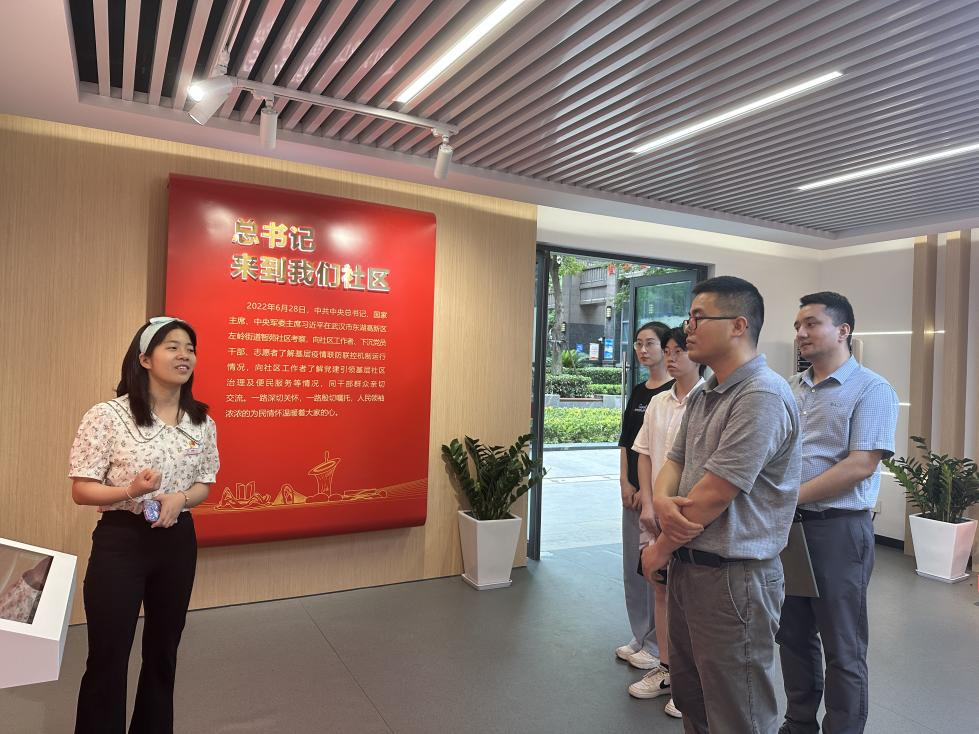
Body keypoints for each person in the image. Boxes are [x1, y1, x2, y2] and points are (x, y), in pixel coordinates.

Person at [641, 276, 801, 733]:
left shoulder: (761, 395)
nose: (687, 329)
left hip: (735, 578)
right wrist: (661, 500)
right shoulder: (706, 392)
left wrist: (658, 549)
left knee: (737, 712)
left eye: (698, 318)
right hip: (691, 567)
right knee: (692, 701)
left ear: (737, 325)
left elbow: (713, 496)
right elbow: (673, 462)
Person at [69, 317, 219, 734]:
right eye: (172, 346)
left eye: (190, 348)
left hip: (177, 542)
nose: (184, 355)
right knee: (108, 655)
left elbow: (204, 484)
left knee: (163, 652)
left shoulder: (201, 421)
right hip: (122, 541)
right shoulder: (107, 416)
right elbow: (81, 490)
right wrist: (130, 490)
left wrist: (180, 499)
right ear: (145, 359)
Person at [777, 292, 899, 734]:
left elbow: (860, 464)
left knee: (842, 644)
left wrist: (789, 497)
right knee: (792, 635)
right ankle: (798, 723)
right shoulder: (789, 387)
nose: (800, 333)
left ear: (843, 330)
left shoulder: (872, 389)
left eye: (811, 323)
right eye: (797, 326)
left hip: (838, 530)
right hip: (789, 529)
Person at [631, 326, 706, 718]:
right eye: (670, 350)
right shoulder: (658, 401)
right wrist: (647, 501)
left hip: (688, 515)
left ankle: (690, 683)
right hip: (655, 514)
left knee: (690, 600)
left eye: (680, 350)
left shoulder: (707, 400)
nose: (673, 357)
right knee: (660, 590)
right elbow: (644, 453)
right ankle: (666, 669)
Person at [615, 321, 674, 671]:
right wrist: (625, 482)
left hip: (657, 497)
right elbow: (627, 443)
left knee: (655, 570)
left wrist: (648, 492)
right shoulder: (639, 391)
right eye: (638, 343)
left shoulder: (675, 393)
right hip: (633, 495)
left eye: (650, 343)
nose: (642, 350)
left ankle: (656, 643)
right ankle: (640, 634)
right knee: (632, 569)